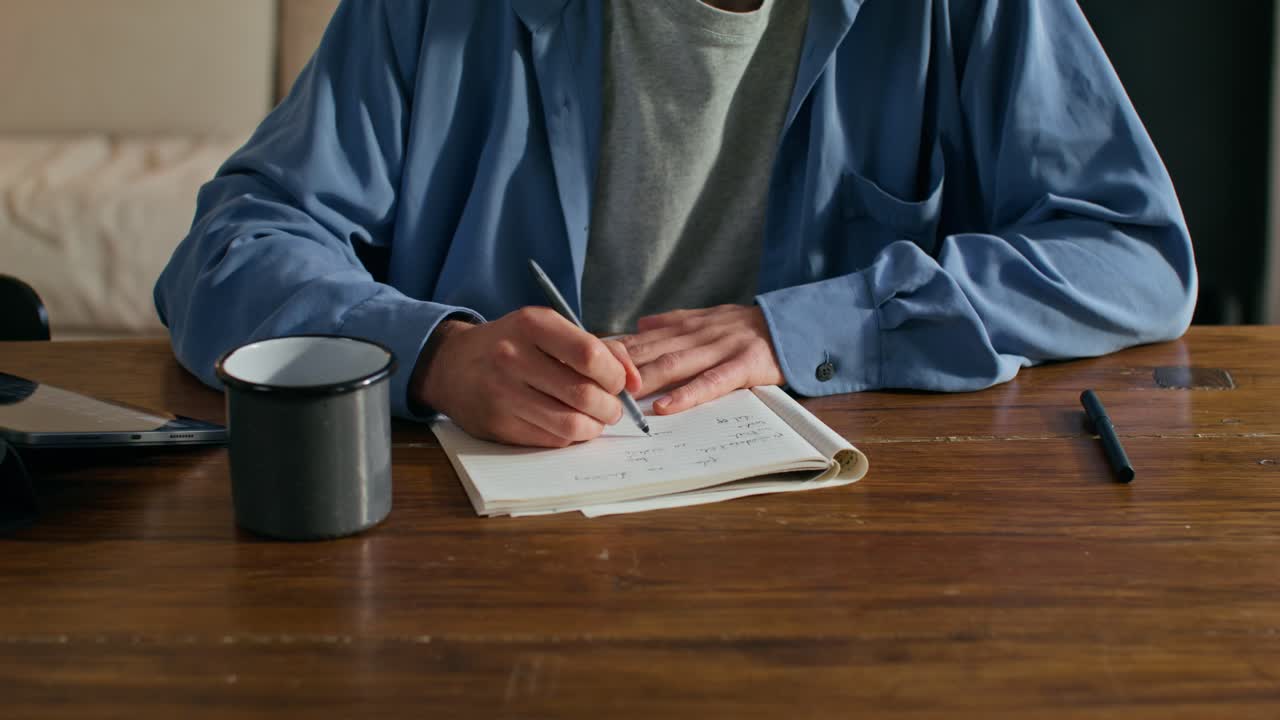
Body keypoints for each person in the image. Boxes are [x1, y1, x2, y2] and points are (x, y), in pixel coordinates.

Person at [154, 0, 1197, 448]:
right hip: (476, 557)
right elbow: (230, 251)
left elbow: (1129, 251)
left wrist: (808, 329)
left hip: (849, 544)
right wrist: (435, 359)